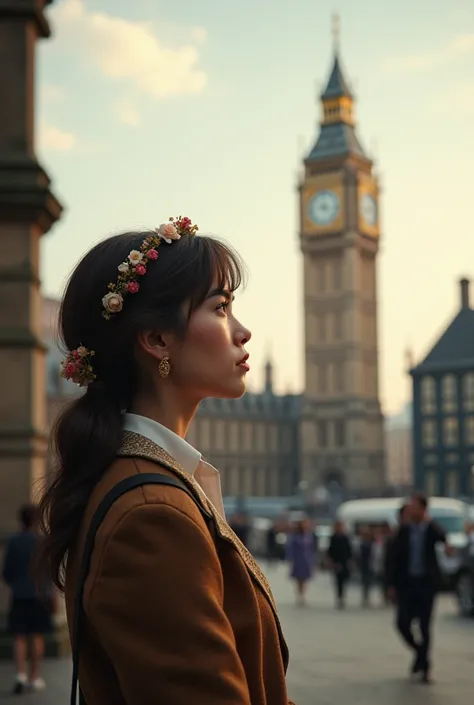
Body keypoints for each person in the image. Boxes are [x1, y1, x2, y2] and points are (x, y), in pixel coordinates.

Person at [37, 218, 295, 705]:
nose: (242, 332)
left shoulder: (145, 481)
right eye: (220, 308)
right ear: (156, 339)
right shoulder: (151, 515)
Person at [387, 493, 448, 683]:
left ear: (423, 509)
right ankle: (420, 653)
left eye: (414, 507)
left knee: (424, 626)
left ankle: (425, 668)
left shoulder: (430, 529)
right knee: (402, 623)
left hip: (426, 584)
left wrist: (429, 522)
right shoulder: (402, 531)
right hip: (406, 584)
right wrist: (390, 585)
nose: (410, 510)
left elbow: (444, 538)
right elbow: (392, 560)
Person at [2, 504, 54, 694]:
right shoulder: (42, 542)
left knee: (19, 636)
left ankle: (20, 674)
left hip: (19, 594)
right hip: (39, 595)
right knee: (37, 636)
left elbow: (6, 572)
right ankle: (34, 677)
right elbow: (49, 573)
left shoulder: (13, 542)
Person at [285, 519, 316, 606]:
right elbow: (291, 548)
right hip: (298, 559)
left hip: (306, 560)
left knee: (305, 578)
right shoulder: (295, 536)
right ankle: (299, 594)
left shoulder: (309, 536)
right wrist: (290, 558)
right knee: (298, 578)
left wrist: (313, 560)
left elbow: (312, 549)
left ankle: (303, 594)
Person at [327, 520, 353, 609]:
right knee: (338, 581)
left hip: (344, 562)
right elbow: (330, 550)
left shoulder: (345, 537)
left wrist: (350, 560)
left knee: (344, 580)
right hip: (336, 562)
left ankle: (342, 596)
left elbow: (349, 550)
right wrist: (330, 561)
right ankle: (339, 597)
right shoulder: (333, 538)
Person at [357, 526, 374, 607]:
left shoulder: (372, 544)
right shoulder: (361, 544)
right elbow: (359, 556)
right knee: (365, 582)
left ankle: (367, 598)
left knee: (368, 582)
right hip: (364, 565)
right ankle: (365, 598)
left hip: (371, 565)